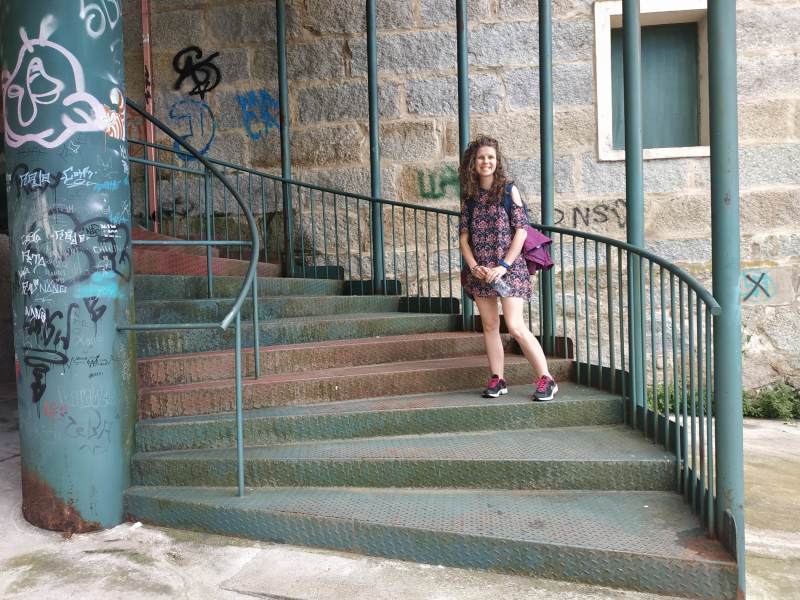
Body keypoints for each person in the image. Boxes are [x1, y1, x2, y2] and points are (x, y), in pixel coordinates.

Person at [458, 135, 558, 401]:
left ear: (497, 161)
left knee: (515, 326)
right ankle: (498, 378)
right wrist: (474, 266)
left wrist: (503, 265)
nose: (486, 162)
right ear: (473, 162)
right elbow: (464, 238)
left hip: (509, 269)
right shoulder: (468, 197)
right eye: (481, 157)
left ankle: (546, 378)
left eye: (490, 157)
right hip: (481, 271)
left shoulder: (508, 190)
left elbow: (522, 231)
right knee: (490, 325)